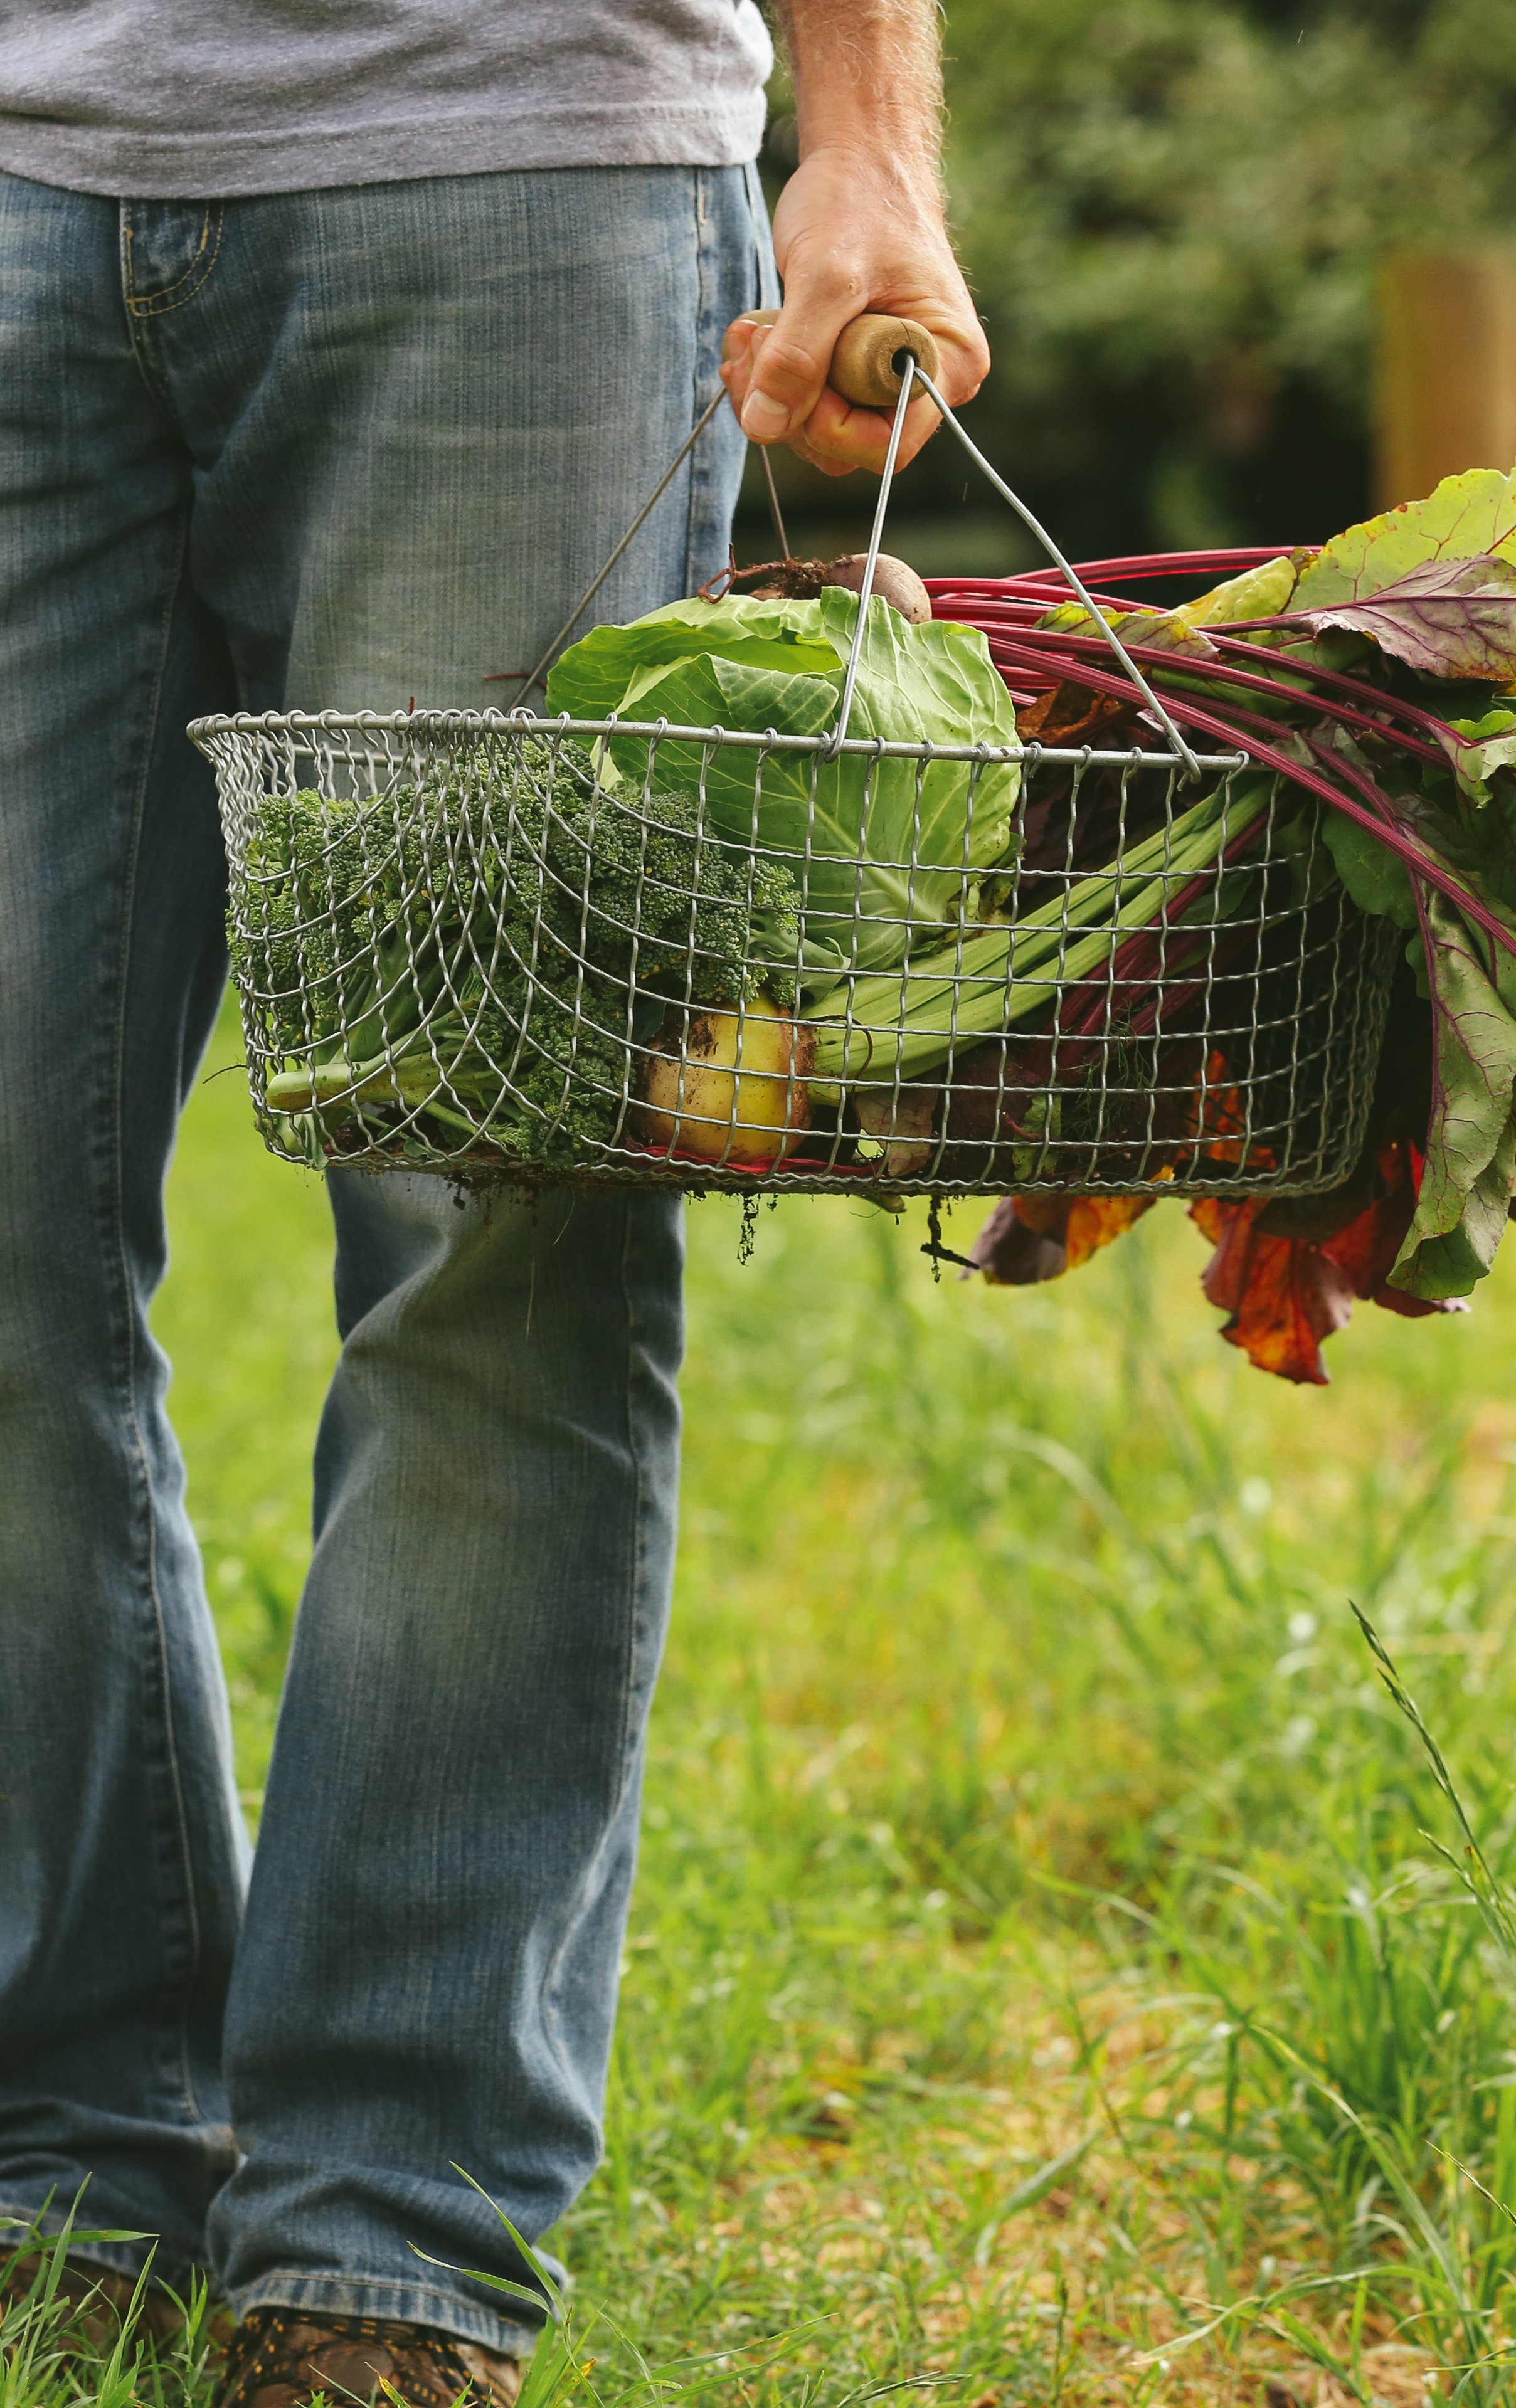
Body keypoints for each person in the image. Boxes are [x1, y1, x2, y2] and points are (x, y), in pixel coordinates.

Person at [0, 3, 987, 2402]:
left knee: (495, 1234)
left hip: (517, 173)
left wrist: (865, 134)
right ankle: (71, 2159)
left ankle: (387, 2229)